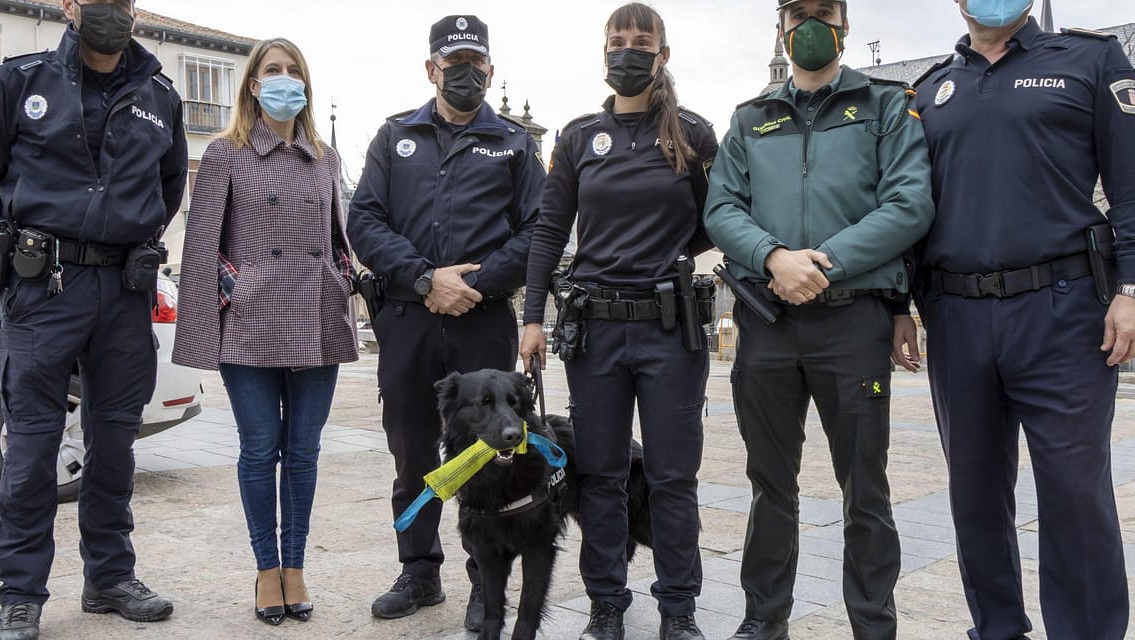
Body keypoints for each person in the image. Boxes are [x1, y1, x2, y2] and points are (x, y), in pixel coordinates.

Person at [910, 1, 1135, 638]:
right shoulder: (929, 89)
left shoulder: (1090, 59)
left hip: (1064, 311)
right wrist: (901, 305)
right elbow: (909, 210)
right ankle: (996, 628)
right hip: (955, 313)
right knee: (974, 495)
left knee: (1076, 494)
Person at [703, 1, 936, 638]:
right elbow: (721, 207)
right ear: (779, 26)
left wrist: (824, 263)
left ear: (844, 22)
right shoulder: (750, 118)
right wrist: (773, 256)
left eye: (824, 10)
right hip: (768, 324)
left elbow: (910, 204)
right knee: (768, 485)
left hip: (853, 324)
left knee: (866, 487)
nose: (811, 22)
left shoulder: (888, 106)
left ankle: (872, 623)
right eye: (797, 11)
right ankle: (763, 619)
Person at [0, 1, 187, 638]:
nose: (111, 11)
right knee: (31, 447)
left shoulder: (160, 95)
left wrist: (120, 237)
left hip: (123, 288)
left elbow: (168, 189)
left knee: (113, 443)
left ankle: (110, 578)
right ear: (68, 6)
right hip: (43, 288)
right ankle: (21, 594)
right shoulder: (17, 81)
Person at [520, 5, 717, 639]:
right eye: (617, 41)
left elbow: (721, 222)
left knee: (671, 477)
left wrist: (675, 264)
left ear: (663, 53)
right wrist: (531, 317)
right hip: (595, 332)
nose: (627, 51)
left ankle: (679, 609)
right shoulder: (577, 138)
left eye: (641, 41)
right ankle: (606, 604)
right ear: (603, 52)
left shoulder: (694, 134)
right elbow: (550, 229)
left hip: (669, 331)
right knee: (600, 476)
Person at [346, 14, 545, 632]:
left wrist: (474, 284)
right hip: (408, 317)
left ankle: (483, 584)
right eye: (453, 63)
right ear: (431, 68)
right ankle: (418, 570)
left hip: (481, 325)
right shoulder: (393, 137)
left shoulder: (514, 144)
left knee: (490, 454)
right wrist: (428, 278)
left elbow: (539, 230)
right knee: (411, 452)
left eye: (476, 63)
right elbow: (364, 220)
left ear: (491, 67)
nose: (465, 73)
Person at [170, 38, 358, 626]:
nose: (283, 80)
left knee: (303, 452)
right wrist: (223, 305)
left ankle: (295, 567)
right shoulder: (225, 153)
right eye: (272, 71)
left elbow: (338, 239)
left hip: (316, 317)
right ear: (253, 85)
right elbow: (202, 245)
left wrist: (344, 282)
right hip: (249, 323)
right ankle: (264, 569)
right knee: (259, 450)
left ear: (306, 83)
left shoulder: (325, 158)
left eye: (293, 71)